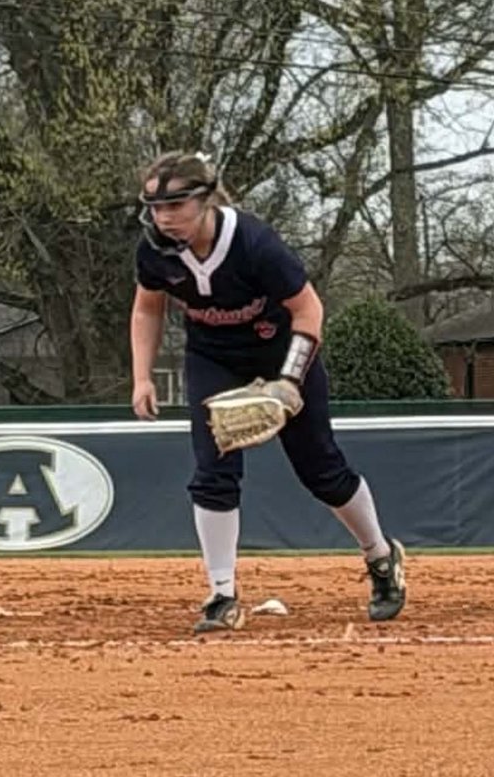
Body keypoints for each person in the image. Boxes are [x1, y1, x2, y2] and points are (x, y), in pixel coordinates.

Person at [130, 150, 406, 633]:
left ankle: (381, 558)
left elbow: (309, 310)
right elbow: (147, 309)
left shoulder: (253, 242)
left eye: (176, 205)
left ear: (207, 199)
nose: (164, 217)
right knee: (213, 471)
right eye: (156, 207)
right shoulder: (155, 251)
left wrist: (289, 380)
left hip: (280, 353)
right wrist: (142, 376)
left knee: (321, 470)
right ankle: (221, 595)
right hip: (213, 358)